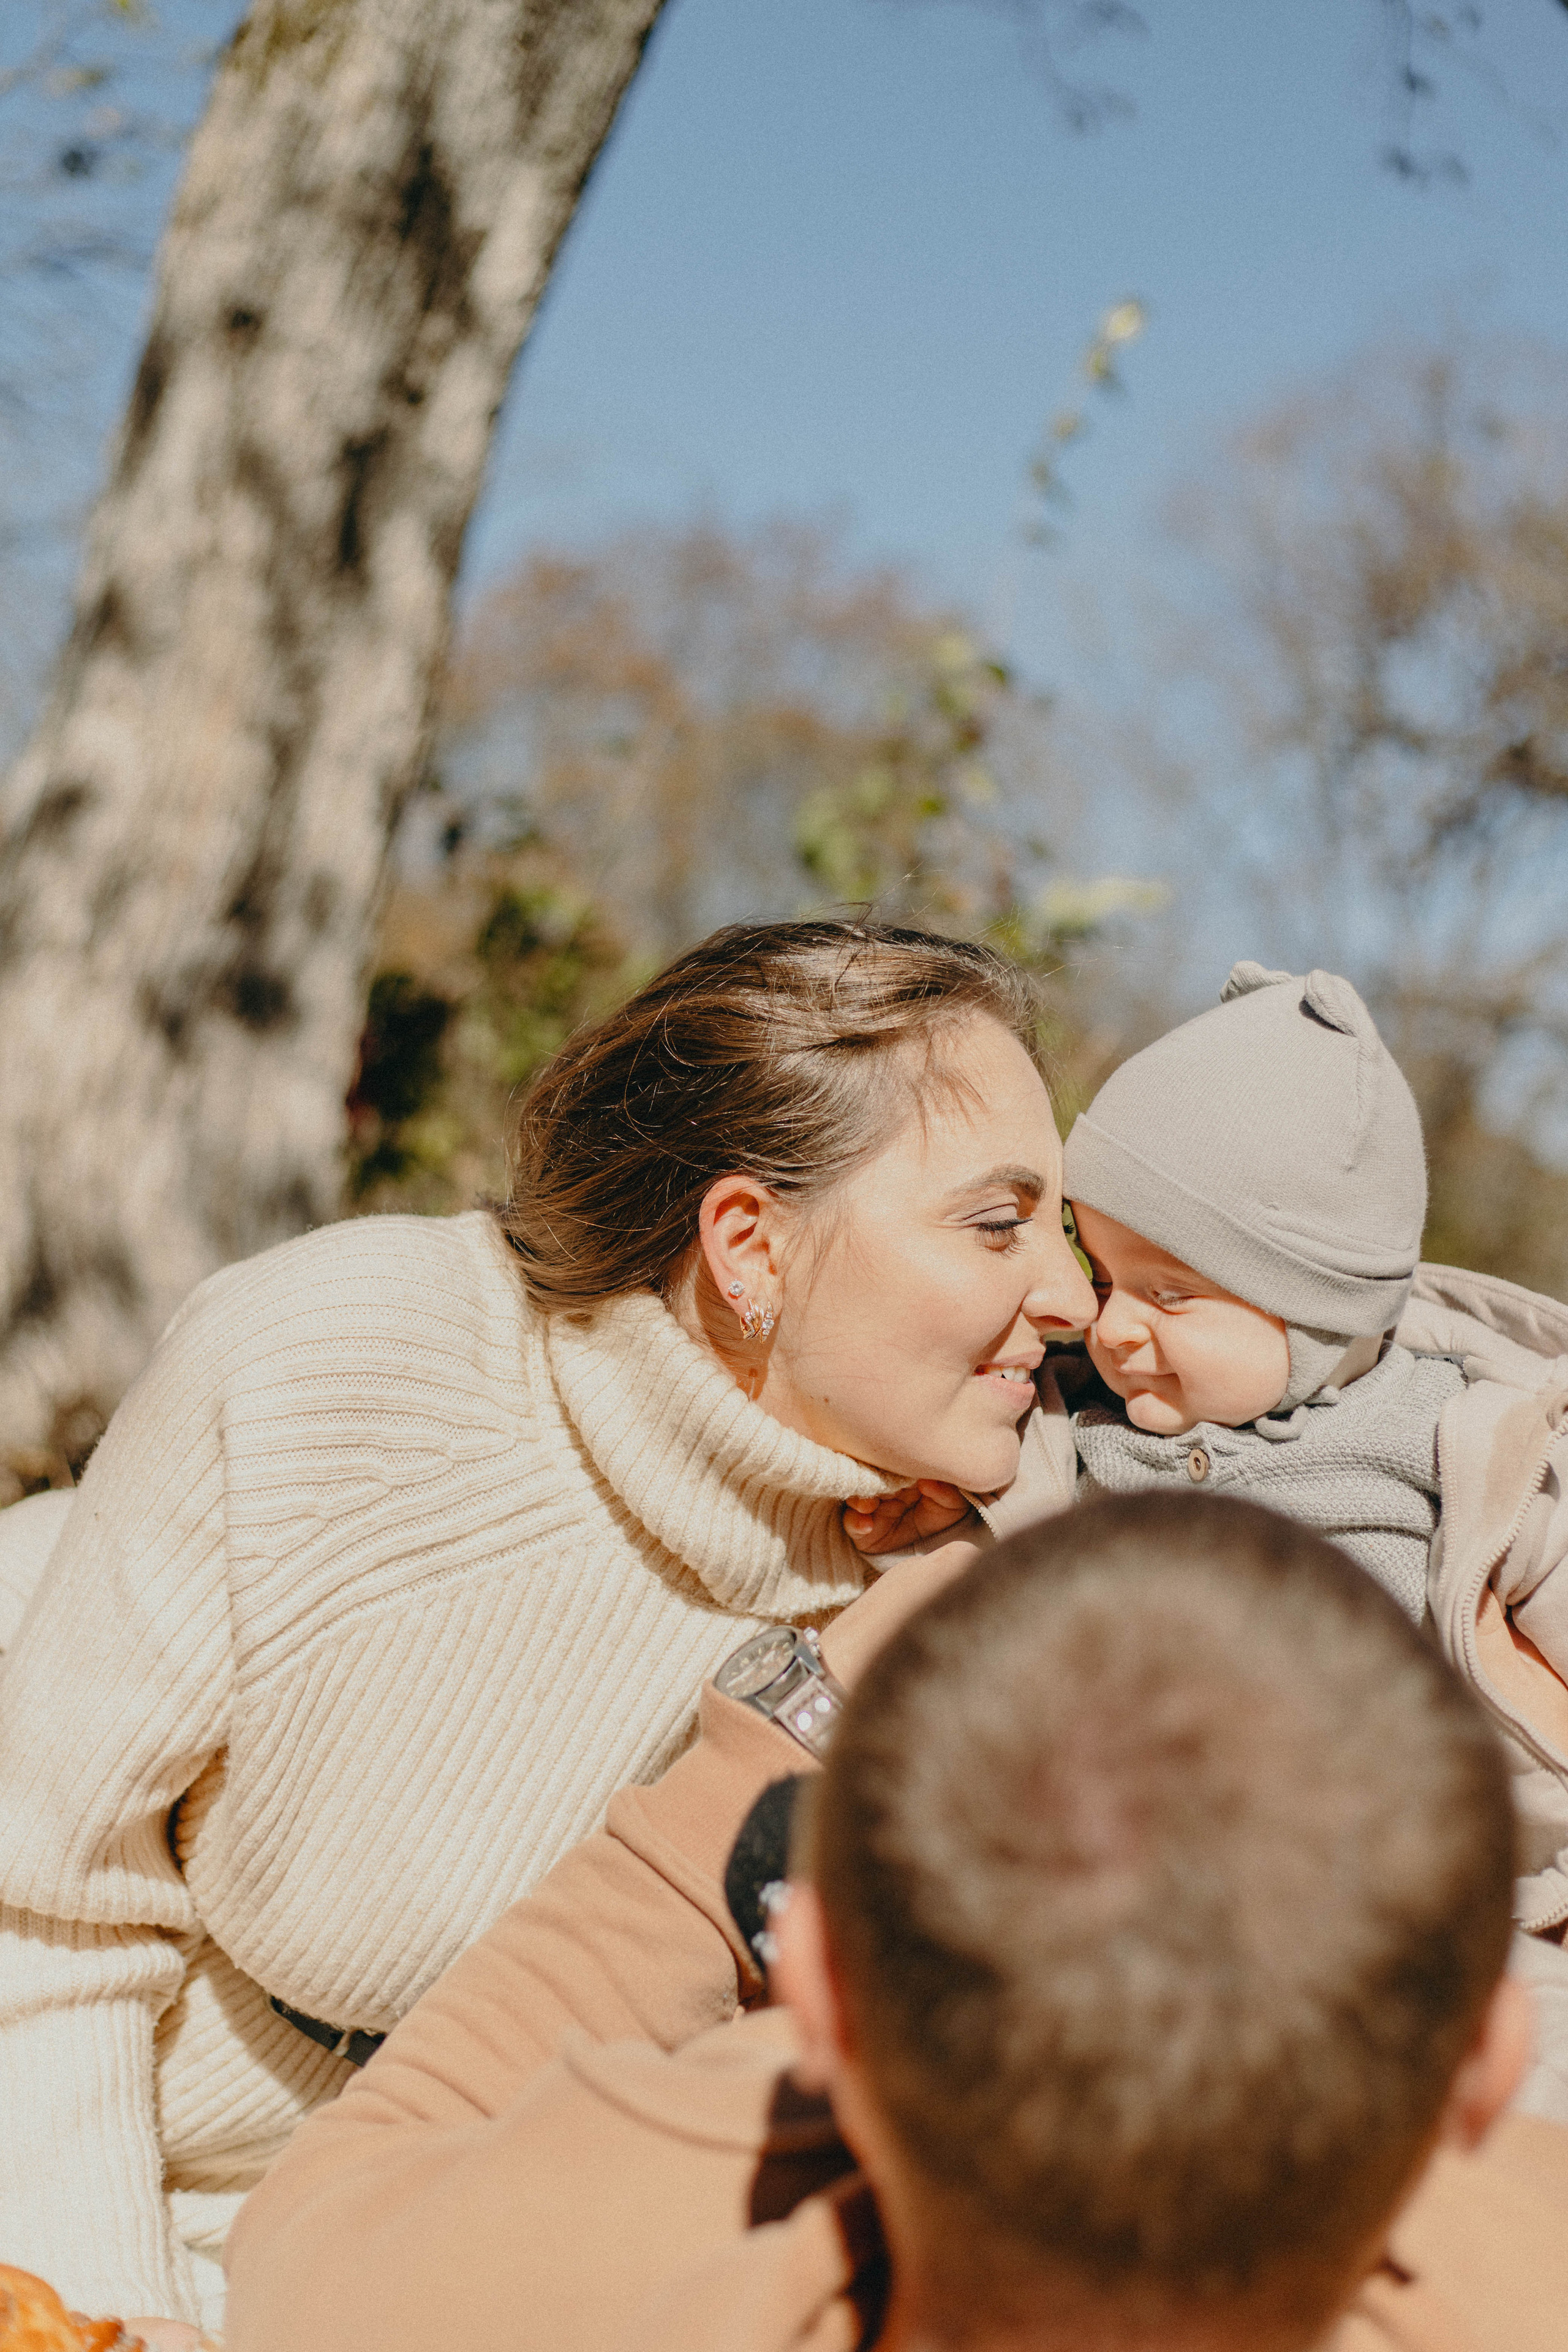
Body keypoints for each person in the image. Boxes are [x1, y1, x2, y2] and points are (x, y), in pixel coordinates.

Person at [0, 918, 1095, 2332]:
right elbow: (44, 1915)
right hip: (70, 2153)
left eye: (1063, 1226)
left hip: (405, 2261)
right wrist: (106, 2313)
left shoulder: (937, 1576)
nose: (1069, 1299)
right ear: (748, 1246)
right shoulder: (332, 1368)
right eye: (997, 1223)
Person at [220, 1492, 1568, 2352]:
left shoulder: (601, 2269)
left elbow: (314, 2235)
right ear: (1482, 2072)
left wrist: (769, 1748)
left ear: (814, 1996)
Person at [851, 962, 1568, 2050]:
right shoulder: (1081, 1430)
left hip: (1421, 1901)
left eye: (1171, 1294)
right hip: (1131, 1891)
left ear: (1319, 1316)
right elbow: (998, 1570)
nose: (1114, 1328)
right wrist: (936, 1519)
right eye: (1107, 1274)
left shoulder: (1457, 1443)